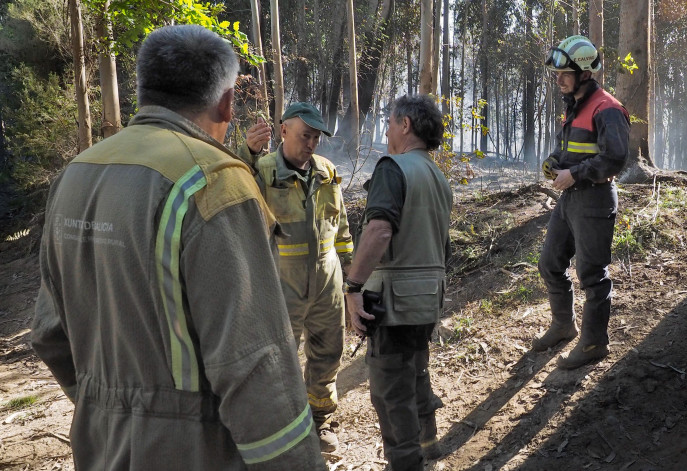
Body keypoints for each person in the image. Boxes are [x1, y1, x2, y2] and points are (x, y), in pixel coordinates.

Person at [30, 25, 324, 469]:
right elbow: (255, 364)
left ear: (144, 89)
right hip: (193, 451)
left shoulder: (77, 173)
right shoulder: (214, 181)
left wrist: (110, 406)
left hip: (99, 445)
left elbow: (49, 334)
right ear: (226, 102)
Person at [238, 102, 353, 453]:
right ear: (283, 130)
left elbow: (342, 229)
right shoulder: (261, 169)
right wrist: (246, 152)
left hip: (327, 287)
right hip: (279, 287)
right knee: (277, 359)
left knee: (328, 354)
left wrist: (352, 281)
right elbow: (232, 192)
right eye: (305, 135)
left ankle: (320, 422)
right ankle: (280, 428)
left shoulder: (327, 172)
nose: (312, 143)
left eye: (317, 137)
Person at [345, 95, 451, 471]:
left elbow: (378, 231)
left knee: (392, 394)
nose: (387, 130)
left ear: (405, 125)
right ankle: (430, 444)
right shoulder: (437, 176)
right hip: (426, 301)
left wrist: (353, 287)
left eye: (390, 123)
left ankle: (406, 464)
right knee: (416, 372)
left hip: (395, 303)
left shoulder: (394, 168)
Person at [532, 35, 630, 369]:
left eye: (565, 73)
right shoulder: (575, 106)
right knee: (549, 263)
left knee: (592, 274)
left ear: (585, 73)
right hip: (571, 199)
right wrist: (555, 161)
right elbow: (571, 149)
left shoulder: (608, 109)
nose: (558, 79)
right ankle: (563, 325)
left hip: (595, 198)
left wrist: (574, 174)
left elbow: (616, 158)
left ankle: (593, 344)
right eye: (557, 73)